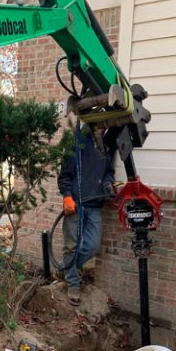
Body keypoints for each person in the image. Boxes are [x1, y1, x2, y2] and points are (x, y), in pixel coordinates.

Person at [57, 123, 115, 306]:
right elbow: (65, 174)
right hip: (76, 202)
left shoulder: (107, 144)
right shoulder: (78, 140)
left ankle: (66, 269)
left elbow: (109, 172)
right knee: (71, 245)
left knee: (92, 245)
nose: (103, 127)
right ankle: (73, 284)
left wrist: (108, 185)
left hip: (95, 203)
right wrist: (67, 196)